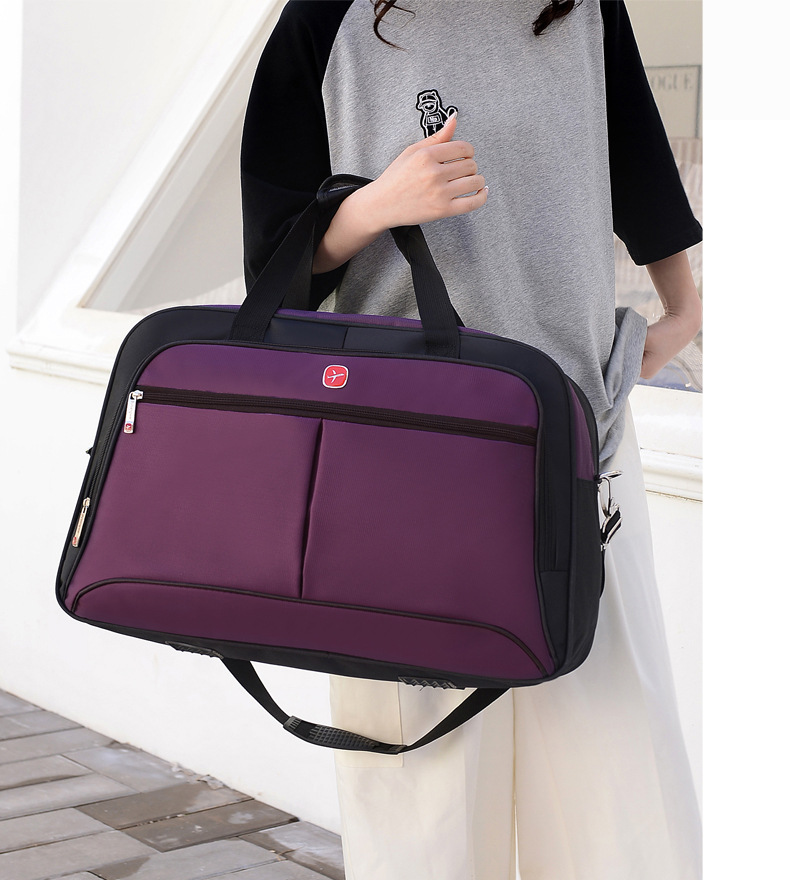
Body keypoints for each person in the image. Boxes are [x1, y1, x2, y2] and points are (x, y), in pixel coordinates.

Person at [240, 1, 703, 878]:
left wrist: (684, 310)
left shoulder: (583, 10)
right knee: (428, 790)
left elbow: (637, 161)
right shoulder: (326, 19)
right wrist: (374, 206)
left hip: (580, 434)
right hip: (401, 456)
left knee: (612, 770)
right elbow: (273, 261)